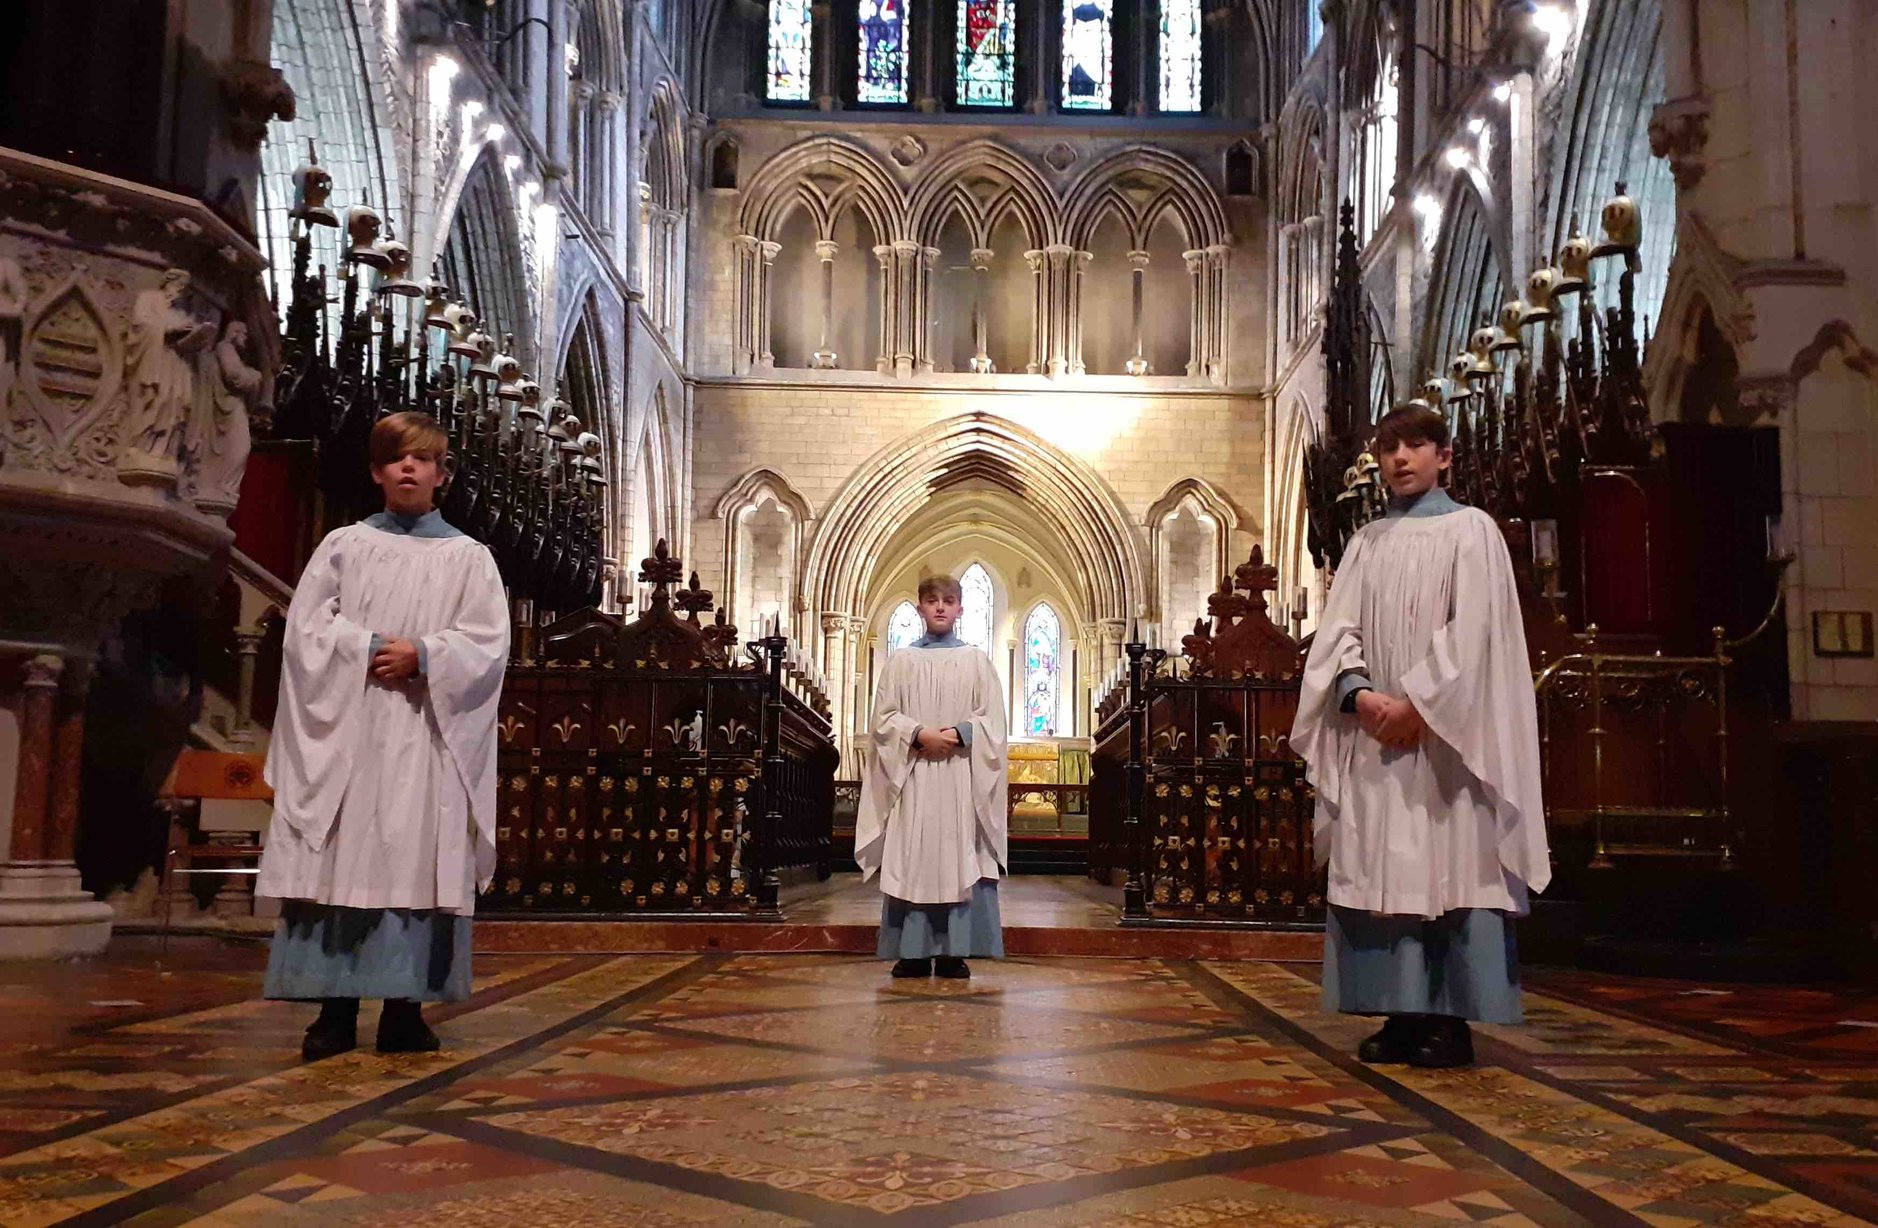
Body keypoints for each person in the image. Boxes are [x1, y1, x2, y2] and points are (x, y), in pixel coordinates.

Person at [1290, 403, 1550, 1069]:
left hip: (1448, 746)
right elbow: (1337, 631)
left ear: (1444, 457)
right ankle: (1401, 1015)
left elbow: (1474, 637)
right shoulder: (1366, 542)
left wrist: (1420, 706)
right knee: (1385, 871)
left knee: (1451, 869)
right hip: (1377, 737)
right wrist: (1361, 695)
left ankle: (1451, 1021)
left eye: (1415, 445)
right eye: (1388, 448)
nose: (1400, 459)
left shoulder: (1473, 532)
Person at [256, 411, 510, 1060]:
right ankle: (333, 1011)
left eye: (422, 459)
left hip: (427, 735)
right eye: (396, 458)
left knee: (416, 856)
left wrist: (425, 655)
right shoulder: (343, 545)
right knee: (341, 852)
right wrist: (369, 647)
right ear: (375, 471)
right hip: (353, 730)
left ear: (441, 475)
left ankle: (404, 1011)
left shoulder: (468, 558)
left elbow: (486, 645)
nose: (408, 468)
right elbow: (308, 631)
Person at [855, 574, 1008, 979]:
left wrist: (959, 734)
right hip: (915, 773)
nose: (940, 607)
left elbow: (992, 719)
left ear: (960, 608)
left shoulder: (976, 660)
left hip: (959, 774)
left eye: (949, 600)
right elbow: (883, 719)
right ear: (919, 607)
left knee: (959, 857)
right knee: (914, 857)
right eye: (932, 600)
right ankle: (914, 952)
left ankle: (955, 952)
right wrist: (918, 734)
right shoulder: (901, 661)